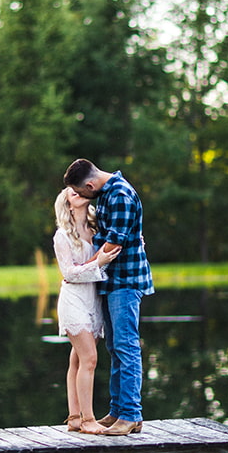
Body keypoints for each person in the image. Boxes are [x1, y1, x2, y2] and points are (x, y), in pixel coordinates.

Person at [63, 159, 154, 435]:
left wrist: (82, 268)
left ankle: (130, 415)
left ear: (90, 185)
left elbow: (113, 244)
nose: (81, 196)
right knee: (115, 346)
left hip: (126, 281)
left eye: (81, 192)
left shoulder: (121, 195)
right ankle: (118, 411)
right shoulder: (105, 194)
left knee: (126, 346)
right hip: (112, 282)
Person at [53, 188, 120, 434]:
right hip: (73, 300)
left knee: (77, 358)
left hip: (94, 300)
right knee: (90, 358)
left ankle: (73, 417)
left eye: (79, 189)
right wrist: (98, 262)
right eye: (72, 192)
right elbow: (69, 273)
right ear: (67, 203)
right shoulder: (62, 236)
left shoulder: (96, 228)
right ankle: (88, 419)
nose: (78, 192)